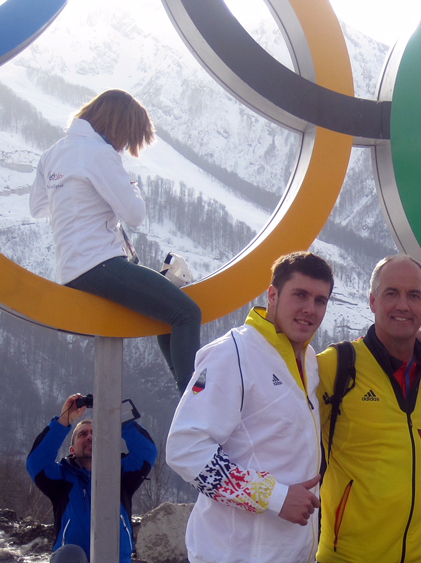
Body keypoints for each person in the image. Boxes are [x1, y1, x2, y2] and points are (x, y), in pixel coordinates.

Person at [30, 89, 201, 392]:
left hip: (71, 271)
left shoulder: (54, 152)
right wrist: (130, 185)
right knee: (187, 313)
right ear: (119, 128)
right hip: (101, 265)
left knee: (167, 312)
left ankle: (187, 394)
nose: (123, 148)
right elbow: (135, 214)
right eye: (127, 139)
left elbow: (38, 207)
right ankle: (196, 404)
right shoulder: (99, 154)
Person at [166, 251, 332, 563]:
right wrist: (275, 497)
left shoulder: (307, 360)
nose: (310, 309)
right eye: (300, 295)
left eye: (320, 300)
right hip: (233, 554)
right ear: (273, 294)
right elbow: (185, 450)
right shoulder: (232, 354)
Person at [316, 255, 421, 563]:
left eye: (413, 295)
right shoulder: (336, 366)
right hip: (349, 557)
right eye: (392, 293)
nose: (403, 305)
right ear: (373, 301)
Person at [26, 393, 157, 563]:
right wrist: (65, 419)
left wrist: (118, 414)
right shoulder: (61, 478)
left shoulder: (120, 474)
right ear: (72, 450)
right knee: (70, 553)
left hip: (115, 559)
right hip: (72, 560)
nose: (89, 437)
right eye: (82, 435)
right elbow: (37, 462)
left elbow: (146, 452)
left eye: (95, 433)